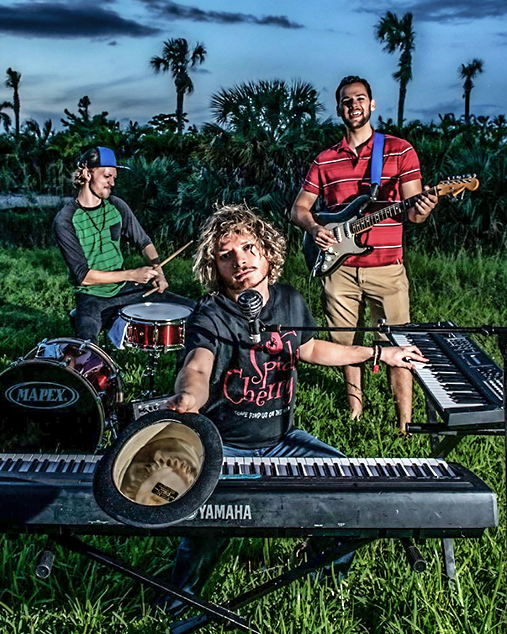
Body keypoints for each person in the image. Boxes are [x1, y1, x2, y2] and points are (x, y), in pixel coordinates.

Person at [163, 203, 427, 611]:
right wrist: (189, 398)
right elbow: (197, 366)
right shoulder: (210, 314)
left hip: (282, 440)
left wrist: (380, 353)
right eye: (226, 255)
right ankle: (179, 599)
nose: (241, 261)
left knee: (348, 489)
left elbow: (311, 348)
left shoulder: (288, 300)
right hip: (224, 444)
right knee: (207, 522)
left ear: (268, 252)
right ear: (214, 268)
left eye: (249, 248)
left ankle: (326, 580)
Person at [290, 75, 438, 435]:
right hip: (338, 269)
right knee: (344, 342)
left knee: (397, 344)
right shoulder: (325, 160)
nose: (352, 105)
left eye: (359, 99)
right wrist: (315, 229)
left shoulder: (399, 151)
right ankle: (355, 409)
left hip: (387, 268)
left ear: (372, 105)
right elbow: (299, 209)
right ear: (339, 108)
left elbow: (413, 214)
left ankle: (405, 423)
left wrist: (426, 206)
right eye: (345, 100)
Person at [53, 146, 193, 344]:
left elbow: (144, 243)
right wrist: (132, 274)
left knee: (192, 312)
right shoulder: (65, 220)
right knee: (86, 346)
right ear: (86, 173)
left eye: (114, 177)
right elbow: (83, 276)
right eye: (107, 176)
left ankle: (186, 371)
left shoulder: (117, 206)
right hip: (92, 297)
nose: (112, 183)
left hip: (125, 290)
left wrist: (159, 272)